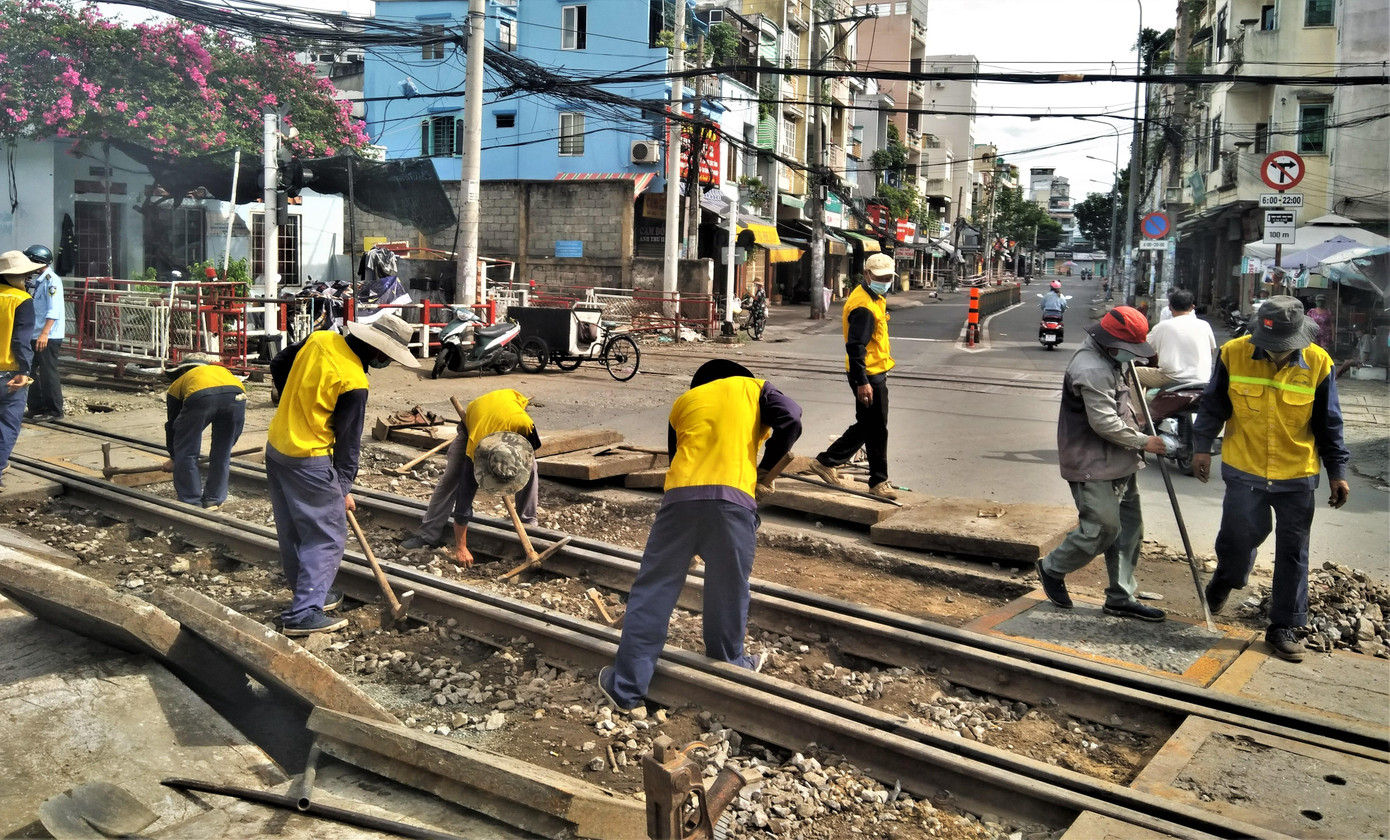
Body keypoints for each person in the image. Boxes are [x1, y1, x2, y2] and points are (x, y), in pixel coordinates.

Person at [598, 360, 802, 712]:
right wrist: (765, 471)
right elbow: (792, 418)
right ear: (738, 376)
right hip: (733, 504)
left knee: (654, 589)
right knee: (728, 587)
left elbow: (676, 457)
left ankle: (625, 688)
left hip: (678, 501)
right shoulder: (755, 389)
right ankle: (729, 665)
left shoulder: (684, 403)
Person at [1192, 297, 1350, 663]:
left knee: (1293, 552)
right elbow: (1214, 404)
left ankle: (1284, 625)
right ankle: (1226, 579)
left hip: (1297, 473)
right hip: (1244, 468)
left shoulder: (1318, 362)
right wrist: (1202, 446)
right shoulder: (1233, 353)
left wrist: (1337, 471)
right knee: (1238, 536)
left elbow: (1329, 424)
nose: (1277, 354)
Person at [266, 313, 420, 636]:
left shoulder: (320, 339)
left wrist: (294, 404)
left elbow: (279, 363)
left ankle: (308, 596)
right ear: (379, 353)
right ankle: (305, 612)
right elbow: (348, 446)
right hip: (308, 458)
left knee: (294, 530)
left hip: (277, 447)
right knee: (327, 536)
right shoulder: (354, 383)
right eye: (389, 358)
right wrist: (342, 487)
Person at [1035, 307, 1170, 622]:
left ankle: (1121, 596)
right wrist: (1143, 442)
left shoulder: (1112, 358)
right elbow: (1104, 423)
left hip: (1121, 459)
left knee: (1129, 531)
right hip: (1091, 462)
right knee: (1102, 529)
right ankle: (1052, 567)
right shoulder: (1091, 368)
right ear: (1110, 343)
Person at [400, 388, 541, 568]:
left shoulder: (525, 425)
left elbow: (531, 452)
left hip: (509, 408)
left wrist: (509, 471)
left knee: (530, 469)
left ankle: (528, 524)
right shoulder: (475, 449)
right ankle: (428, 535)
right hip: (474, 421)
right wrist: (461, 547)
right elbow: (464, 499)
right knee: (452, 478)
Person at [807, 252, 898, 500]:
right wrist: (862, 382)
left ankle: (826, 462)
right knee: (877, 428)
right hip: (869, 374)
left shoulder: (872, 296)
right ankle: (878, 482)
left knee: (867, 425)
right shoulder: (864, 305)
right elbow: (856, 346)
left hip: (872, 371)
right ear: (867, 275)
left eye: (889, 276)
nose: (886, 280)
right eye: (881, 277)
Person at [163, 353, 246, 510]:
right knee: (222, 451)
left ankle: (191, 501)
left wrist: (175, 457)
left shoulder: (178, 383)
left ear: (182, 370)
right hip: (237, 394)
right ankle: (214, 499)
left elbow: (173, 426)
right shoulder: (221, 372)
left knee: (186, 452)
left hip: (201, 396)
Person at [0, 251, 39, 481]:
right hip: (9, 377)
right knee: (7, 425)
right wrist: (25, 372)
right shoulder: (21, 300)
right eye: (24, 275)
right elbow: (20, 340)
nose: (27, 280)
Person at [1134, 288, 1217, 389]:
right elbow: (1211, 350)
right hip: (1202, 378)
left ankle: (1140, 405)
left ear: (1169, 307)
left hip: (1172, 378)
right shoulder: (1205, 325)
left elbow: (1143, 348)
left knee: (1134, 374)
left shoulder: (1162, 327)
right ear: (1192, 307)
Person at [23, 245, 64, 421]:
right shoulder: (40, 281)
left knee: (48, 373)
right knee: (29, 370)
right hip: (36, 334)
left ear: (38, 263)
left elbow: (53, 311)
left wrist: (44, 334)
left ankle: (54, 411)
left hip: (48, 336)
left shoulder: (51, 281)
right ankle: (36, 406)